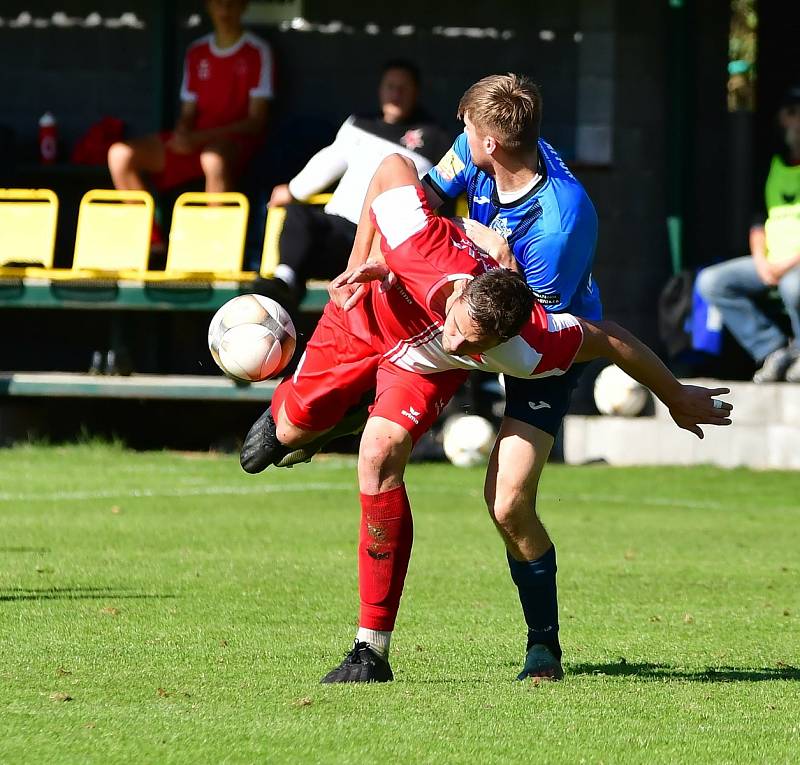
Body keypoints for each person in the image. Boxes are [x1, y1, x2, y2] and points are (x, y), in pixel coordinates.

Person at [240, 153, 733, 684]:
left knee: (401, 463)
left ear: (500, 344)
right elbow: (389, 167)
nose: (459, 338)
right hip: (367, 317)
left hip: (424, 368)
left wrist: (675, 395)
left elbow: (612, 338)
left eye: (475, 344)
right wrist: (362, 258)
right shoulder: (420, 244)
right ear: (459, 295)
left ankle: (372, 650)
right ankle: (340, 414)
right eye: (459, 325)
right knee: (276, 440)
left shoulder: (532, 346)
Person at [337, 74, 601, 681]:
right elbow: (418, 204)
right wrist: (378, 260)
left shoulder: (560, 222)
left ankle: (543, 645)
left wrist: (471, 253)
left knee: (508, 504)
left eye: (465, 132)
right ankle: (347, 408)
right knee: (385, 433)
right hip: (474, 308)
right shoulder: (480, 145)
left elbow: (518, 321)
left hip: (541, 337)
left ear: (489, 143)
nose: (458, 139)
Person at [253, 59, 448, 312]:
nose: (396, 94)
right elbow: (328, 161)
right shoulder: (359, 123)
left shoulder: (435, 137)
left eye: (403, 88)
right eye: (390, 86)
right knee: (297, 215)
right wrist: (292, 190)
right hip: (337, 227)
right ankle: (284, 283)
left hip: (381, 241)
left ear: (416, 92)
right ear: (380, 89)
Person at [107, 0, 272, 214]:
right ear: (208, 6)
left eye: (231, 3)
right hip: (197, 140)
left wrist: (199, 138)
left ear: (243, 6)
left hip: (233, 143)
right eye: (218, 3)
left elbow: (255, 123)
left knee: (213, 159)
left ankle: (216, 240)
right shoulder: (197, 51)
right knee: (120, 154)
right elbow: (188, 112)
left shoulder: (257, 50)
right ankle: (152, 242)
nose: (224, 9)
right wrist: (182, 132)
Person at [697, 85, 800, 383]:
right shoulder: (772, 165)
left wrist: (784, 264)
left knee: (793, 287)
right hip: (771, 262)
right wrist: (762, 260)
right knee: (713, 281)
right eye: (791, 114)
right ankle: (773, 350)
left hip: (793, 266)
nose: (796, 121)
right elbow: (758, 221)